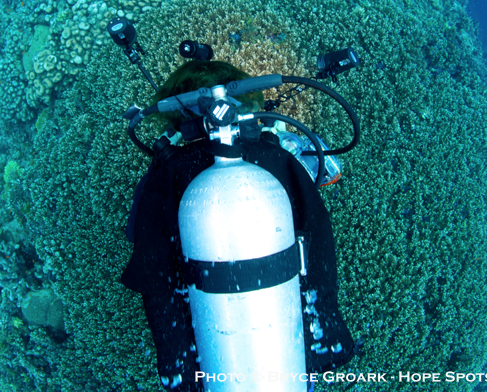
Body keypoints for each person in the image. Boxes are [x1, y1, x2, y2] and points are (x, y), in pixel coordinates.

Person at [121, 60, 355, 391]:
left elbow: (148, 265)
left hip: (211, 358)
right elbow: (317, 232)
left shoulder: (162, 178)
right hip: (289, 349)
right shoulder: (281, 159)